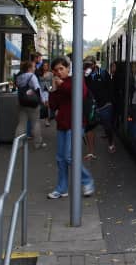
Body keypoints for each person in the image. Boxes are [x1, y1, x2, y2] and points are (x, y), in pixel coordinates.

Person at [47, 56, 95, 199]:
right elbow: (53, 105)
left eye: (61, 69)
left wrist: (61, 85)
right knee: (60, 158)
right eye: (56, 71)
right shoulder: (59, 84)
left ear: (68, 68)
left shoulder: (76, 80)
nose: (59, 72)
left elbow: (78, 94)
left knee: (69, 156)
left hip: (76, 123)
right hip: (62, 124)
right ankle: (62, 188)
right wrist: (54, 90)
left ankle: (87, 181)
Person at [84, 56, 116, 156]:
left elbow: (110, 88)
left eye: (89, 65)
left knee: (107, 126)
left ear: (94, 64)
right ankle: (91, 151)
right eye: (86, 65)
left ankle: (111, 143)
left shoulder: (103, 73)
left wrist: (110, 101)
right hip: (92, 105)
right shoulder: (85, 75)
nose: (87, 67)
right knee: (89, 127)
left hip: (104, 105)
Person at [14, 60, 46, 149]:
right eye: (34, 67)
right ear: (29, 68)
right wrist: (42, 100)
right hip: (32, 102)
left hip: (22, 102)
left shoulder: (19, 77)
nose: (35, 68)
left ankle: (18, 144)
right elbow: (37, 89)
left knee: (21, 123)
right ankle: (37, 143)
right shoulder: (32, 76)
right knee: (35, 122)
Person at [37, 61, 53, 127]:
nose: (45, 67)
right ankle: (41, 119)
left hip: (48, 91)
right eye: (44, 65)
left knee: (47, 105)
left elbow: (52, 82)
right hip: (41, 91)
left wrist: (51, 89)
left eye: (46, 65)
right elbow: (37, 82)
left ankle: (47, 120)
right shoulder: (39, 73)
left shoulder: (51, 74)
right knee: (42, 105)